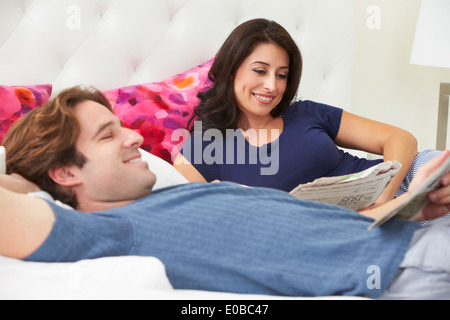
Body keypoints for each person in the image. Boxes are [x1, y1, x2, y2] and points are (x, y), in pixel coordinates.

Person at [1, 86, 450, 299]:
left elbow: (323, 232)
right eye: (106, 136)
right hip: (405, 271)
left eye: (123, 127)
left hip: (413, 239)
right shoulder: (107, 229)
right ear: (63, 173)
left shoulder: (170, 198)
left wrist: (416, 207)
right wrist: (19, 173)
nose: (134, 138)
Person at [173, 19, 441, 209]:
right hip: (355, 229)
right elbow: (181, 214)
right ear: (231, 70)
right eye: (260, 70)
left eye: (282, 75)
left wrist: (386, 196)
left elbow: (399, 137)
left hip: (409, 181)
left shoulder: (305, 113)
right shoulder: (202, 149)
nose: (271, 85)